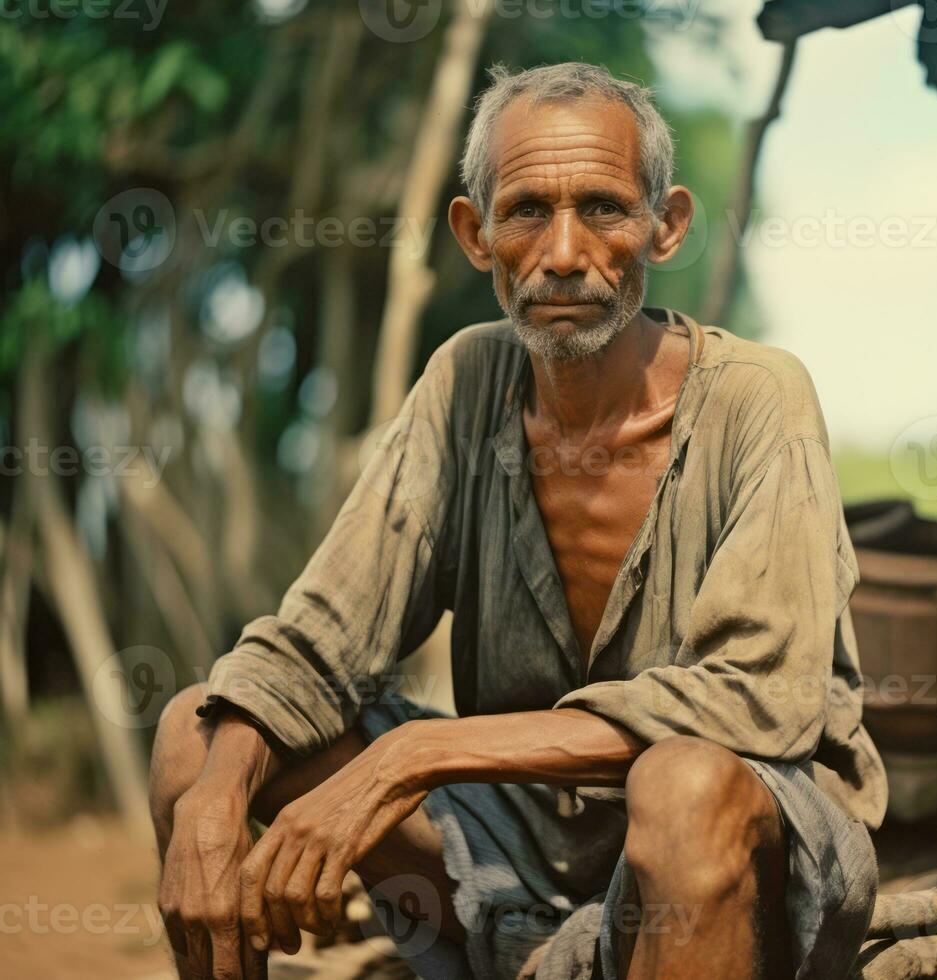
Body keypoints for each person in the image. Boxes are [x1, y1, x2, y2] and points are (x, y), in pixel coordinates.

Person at [150, 61, 887, 980]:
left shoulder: (758, 399)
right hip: (521, 840)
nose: (566, 252)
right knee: (202, 732)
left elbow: (757, 701)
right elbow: (315, 644)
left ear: (666, 225)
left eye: (605, 210)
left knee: (684, 783)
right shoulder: (466, 382)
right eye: (528, 210)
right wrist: (218, 795)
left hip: (737, 849)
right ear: (474, 232)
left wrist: (415, 756)